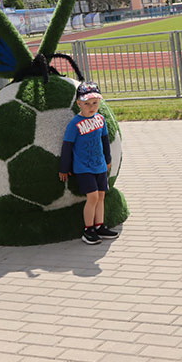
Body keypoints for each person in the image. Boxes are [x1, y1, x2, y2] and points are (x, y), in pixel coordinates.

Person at [59, 81, 119, 245]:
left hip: (99, 165)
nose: (91, 106)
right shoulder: (74, 124)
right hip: (83, 168)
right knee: (92, 197)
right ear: (79, 103)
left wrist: (108, 160)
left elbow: (104, 141)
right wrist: (64, 168)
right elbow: (67, 146)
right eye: (87, 103)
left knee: (101, 196)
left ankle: (100, 226)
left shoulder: (100, 119)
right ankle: (88, 230)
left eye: (95, 103)